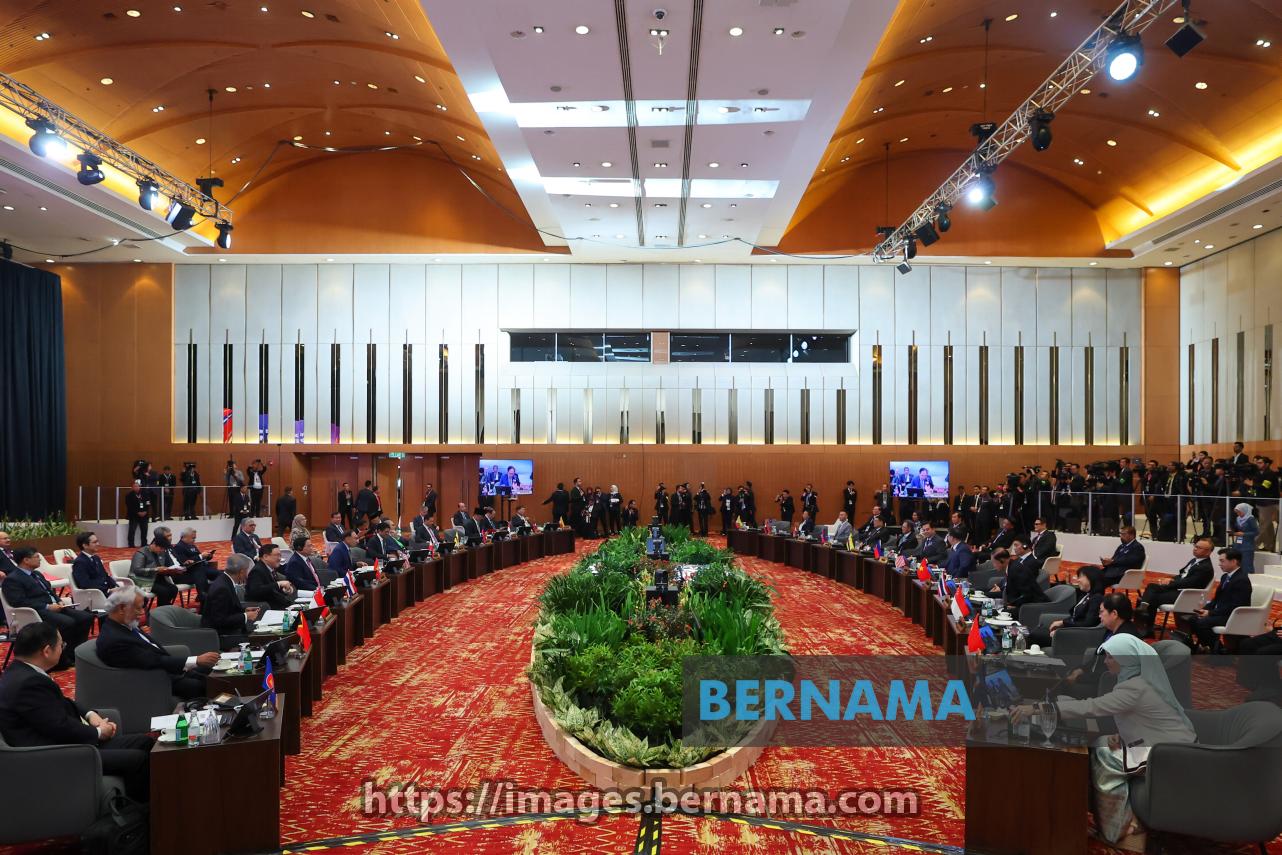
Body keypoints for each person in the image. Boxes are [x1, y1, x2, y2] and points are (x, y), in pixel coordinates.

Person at [1012, 634, 1197, 847]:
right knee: (1102, 741)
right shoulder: (1139, 679)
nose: (1106, 661)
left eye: (1110, 657)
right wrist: (1124, 734)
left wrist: (1037, 708)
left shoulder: (1135, 687)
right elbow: (1147, 719)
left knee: (1104, 755)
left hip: (1168, 754)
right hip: (1169, 743)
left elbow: (1091, 707)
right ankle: (1119, 819)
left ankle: (1118, 829)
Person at [0, 623, 155, 801]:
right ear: (47, 651)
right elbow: (59, 727)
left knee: (144, 742)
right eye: (61, 645)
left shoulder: (21, 672)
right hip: (57, 754)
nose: (63, 649)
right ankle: (137, 811)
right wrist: (98, 732)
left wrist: (91, 715)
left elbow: (61, 702)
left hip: (66, 742)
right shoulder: (27, 683)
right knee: (137, 760)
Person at [97, 589, 218, 700]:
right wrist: (195, 660)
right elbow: (152, 660)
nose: (142, 612)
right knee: (210, 685)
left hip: (168, 671)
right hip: (158, 680)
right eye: (138, 608)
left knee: (215, 672)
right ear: (122, 608)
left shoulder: (125, 624)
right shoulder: (115, 640)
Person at [1, 548, 93, 670]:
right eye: (36, 557)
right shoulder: (13, 579)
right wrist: (47, 606)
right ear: (26, 560)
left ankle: (73, 653)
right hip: (37, 611)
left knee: (85, 617)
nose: (40, 559)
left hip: (55, 606)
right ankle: (60, 660)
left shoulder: (37, 574)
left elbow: (49, 591)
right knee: (67, 622)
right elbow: (18, 602)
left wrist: (58, 600)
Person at [1135, 537, 1214, 632]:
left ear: (1208, 552)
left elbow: (1188, 583)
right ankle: (1144, 608)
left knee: (1152, 597)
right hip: (1178, 590)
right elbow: (1182, 575)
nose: (1195, 549)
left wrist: (1170, 583)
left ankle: (1147, 626)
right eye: (1195, 546)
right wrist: (1171, 579)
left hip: (1186, 595)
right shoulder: (1195, 560)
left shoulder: (1205, 567)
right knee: (1152, 586)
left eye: (1199, 548)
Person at [1184, 547, 1253, 654]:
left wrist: (1211, 613)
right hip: (1222, 612)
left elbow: (1235, 605)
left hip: (1233, 615)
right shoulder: (1225, 577)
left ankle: (1218, 650)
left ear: (1233, 561)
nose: (1219, 564)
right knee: (1192, 619)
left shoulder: (1241, 580)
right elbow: (1216, 600)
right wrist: (1205, 609)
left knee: (1202, 623)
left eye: (1222, 561)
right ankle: (1212, 647)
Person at [1026, 567, 1106, 648]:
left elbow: (1088, 624)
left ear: (1091, 579)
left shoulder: (1097, 598)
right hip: (1069, 631)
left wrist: (1063, 627)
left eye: (1081, 577)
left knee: (1034, 636)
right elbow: (1075, 617)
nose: (1078, 580)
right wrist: (1062, 625)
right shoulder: (1087, 595)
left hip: (1076, 636)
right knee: (1034, 632)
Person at [201, 553, 262, 649]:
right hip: (222, 636)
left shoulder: (225, 580)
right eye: (247, 571)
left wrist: (244, 610)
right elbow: (220, 621)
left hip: (229, 631)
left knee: (260, 635)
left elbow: (226, 608)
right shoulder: (222, 588)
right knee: (261, 640)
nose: (247, 575)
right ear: (241, 572)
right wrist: (246, 616)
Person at [130, 531, 182, 606]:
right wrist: (156, 569)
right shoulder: (141, 553)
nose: (162, 551)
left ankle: (165, 607)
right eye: (161, 548)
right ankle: (162, 609)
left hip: (156, 579)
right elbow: (136, 570)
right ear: (154, 544)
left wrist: (169, 570)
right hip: (141, 580)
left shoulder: (160, 553)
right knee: (164, 591)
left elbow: (163, 566)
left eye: (163, 549)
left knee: (174, 589)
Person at [1001, 540, 1047, 616]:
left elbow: (1026, 589)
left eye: (1016, 545)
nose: (1014, 548)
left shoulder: (1031, 563)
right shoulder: (1017, 560)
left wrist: (1014, 603)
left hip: (1028, 601)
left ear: (1025, 546)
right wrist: (1001, 586)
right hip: (1016, 595)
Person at [172, 527, 218, 600]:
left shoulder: (192, 545)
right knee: (202, 575)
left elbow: (199, 558)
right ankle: (204, 597)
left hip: (201, 569)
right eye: (193, 538)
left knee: (221, 574)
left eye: (195, 538)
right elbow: (185, 563)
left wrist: (207, 557)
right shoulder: (179, 547)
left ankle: (214, 594)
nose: (194, 540)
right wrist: (200, 556)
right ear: (184, 537)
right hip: (190, 572)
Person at [245, 543, 294, 609]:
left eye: (280, 555)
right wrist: (278, 584)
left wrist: (284, 590)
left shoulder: (270, 568)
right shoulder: (257, 571)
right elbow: (256, 591)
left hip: (276, 605)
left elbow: (272, 589)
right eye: (277, 555)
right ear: (265, 557)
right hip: (265, 608)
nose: (280, 558)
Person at [1231, 502, 1259, 573]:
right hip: (1238, 544)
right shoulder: (1238, 519)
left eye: (1239, 512)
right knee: (1238, 564)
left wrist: (1244, 534)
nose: (1238, 514)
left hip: (1247, 545)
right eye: (1237, 512)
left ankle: (1249, 577)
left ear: (1244, 510)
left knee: (1247, 564)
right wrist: (1232, 531)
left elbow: (1256, 532)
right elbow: (1237, 529)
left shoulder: (1251, 519)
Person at [123, 480, 150, 548]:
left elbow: (148, 503)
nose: (136, 487)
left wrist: (145, 511)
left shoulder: (145, 493)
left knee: (144, 530)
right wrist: (138, 512)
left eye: (137, 486)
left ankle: (144, 544)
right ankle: (131, 544)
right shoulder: (129, 495)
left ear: (139, 487)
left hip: (144, 515)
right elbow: (129, 506)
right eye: (135, 486)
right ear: (132, 487)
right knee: (132, 530)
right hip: (134, 515)